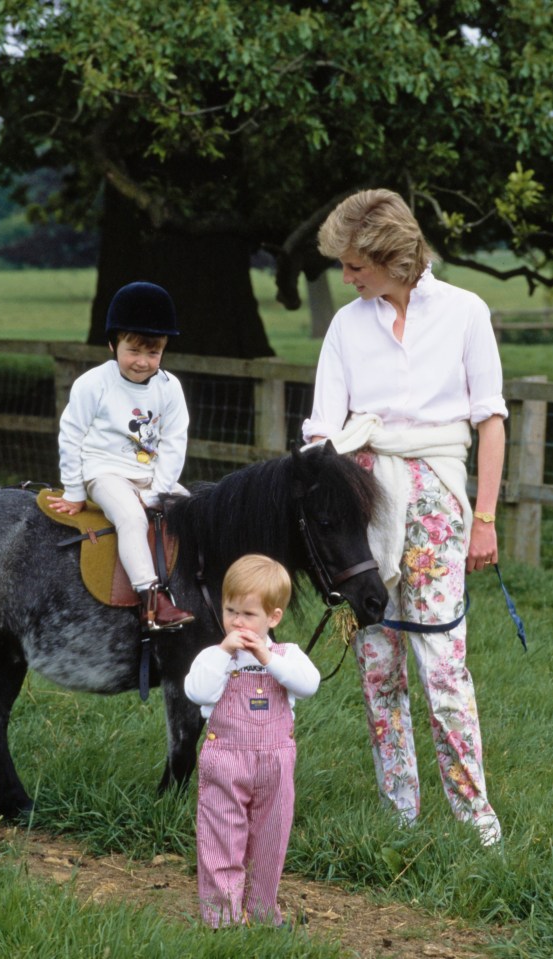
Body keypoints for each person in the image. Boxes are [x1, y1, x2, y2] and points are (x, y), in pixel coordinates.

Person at [302, 188, 507, 847]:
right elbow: (320, 431)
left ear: (392, 256)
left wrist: (484, 516)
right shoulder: (345, 325)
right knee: (376, 661)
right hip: (365, 503)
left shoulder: (464, 312)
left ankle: (475, 818)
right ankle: (399, 811)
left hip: (440, 502)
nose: (345, 275)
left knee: (442, 662)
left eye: (355, 263)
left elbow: (490, 419)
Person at [47, 281, 194, 631]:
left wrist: (159, 490)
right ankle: (151, 597)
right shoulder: (93, 384)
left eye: (154, 353)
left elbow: (175, 441)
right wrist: (74, 491)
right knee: (131, 518)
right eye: (133, 351)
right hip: (105, 472)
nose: (143, 362)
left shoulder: (169, 388)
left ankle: (198, 587)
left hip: (150, 474)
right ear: (114, 344)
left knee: (195, 513)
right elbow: (71, 435)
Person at [184, 554, 320, 927]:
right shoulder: (215, 657)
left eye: (248, 614)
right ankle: (222, 918)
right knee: (221, 837)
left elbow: (309, 685)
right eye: (230, 611)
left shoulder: (285, 655)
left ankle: (262, 913)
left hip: (275, 763)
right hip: (225, 759)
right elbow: (197, 692)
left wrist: (265, 656)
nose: (237, 622)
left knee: (270, 840)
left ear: (273, 618)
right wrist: (226, 652)